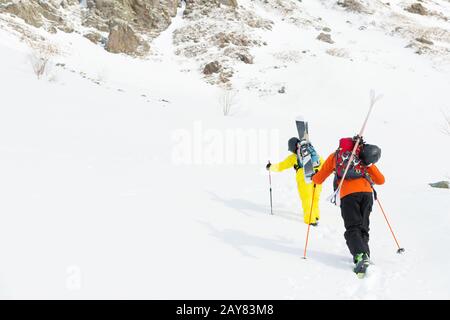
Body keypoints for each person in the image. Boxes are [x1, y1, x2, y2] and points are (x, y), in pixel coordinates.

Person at [311, 136, 384, 274]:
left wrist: (312, 177)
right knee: (363, 227)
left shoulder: (336, 157)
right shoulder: (362, 158)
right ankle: (364, 255)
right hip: (367, 194)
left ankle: (361, 256)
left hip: (348, 195)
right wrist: (369, 165)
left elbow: (319, 178)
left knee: (353, 227)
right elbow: (380, 180)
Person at [266, 137, 324, 225]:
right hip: (317, 176)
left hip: (304, 179)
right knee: (315, 198)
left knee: (307, 199)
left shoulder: (293, 157)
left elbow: (281, 166)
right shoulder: (312, 153)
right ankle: (316, 216)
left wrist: (270, 167)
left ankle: (310, 220)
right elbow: (322, 162)